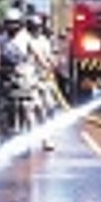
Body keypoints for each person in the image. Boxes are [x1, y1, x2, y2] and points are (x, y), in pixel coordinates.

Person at [25, 13, 58, 150]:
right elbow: (37, 56)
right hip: (30, 79)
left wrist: (53, 62)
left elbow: (49, 56)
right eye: (34, 27)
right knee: (35, 107)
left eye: (38, 27)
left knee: (50, 107)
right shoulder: (26, 40)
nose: (36, 30)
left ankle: (47, 137)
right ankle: (31, 136)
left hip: (45, 79)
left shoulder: (44, 40)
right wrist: (45, 63)